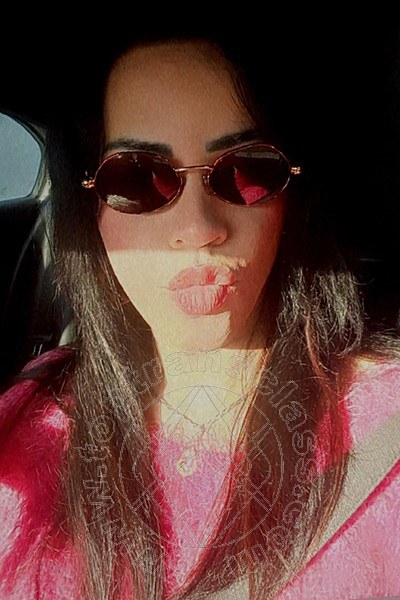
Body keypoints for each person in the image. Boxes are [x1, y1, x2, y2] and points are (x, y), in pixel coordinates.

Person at [0, 30, 400, 600]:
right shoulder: (25, 423)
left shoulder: (385, 435)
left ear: (291, 197)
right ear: (88, 211)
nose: (200, 229)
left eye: (247, 171)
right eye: (137, 179)